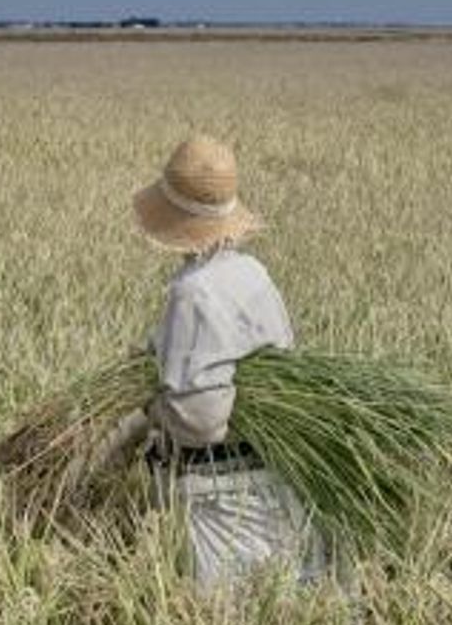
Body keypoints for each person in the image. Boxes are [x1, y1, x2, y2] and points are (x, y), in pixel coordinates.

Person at [90, 135, 331, 589]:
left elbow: (199, 420)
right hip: (268, 479)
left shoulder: (194, 292)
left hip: (222, 500)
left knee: (227, 605)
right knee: (280, 599)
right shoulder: (252, 272)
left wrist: (151, 405)